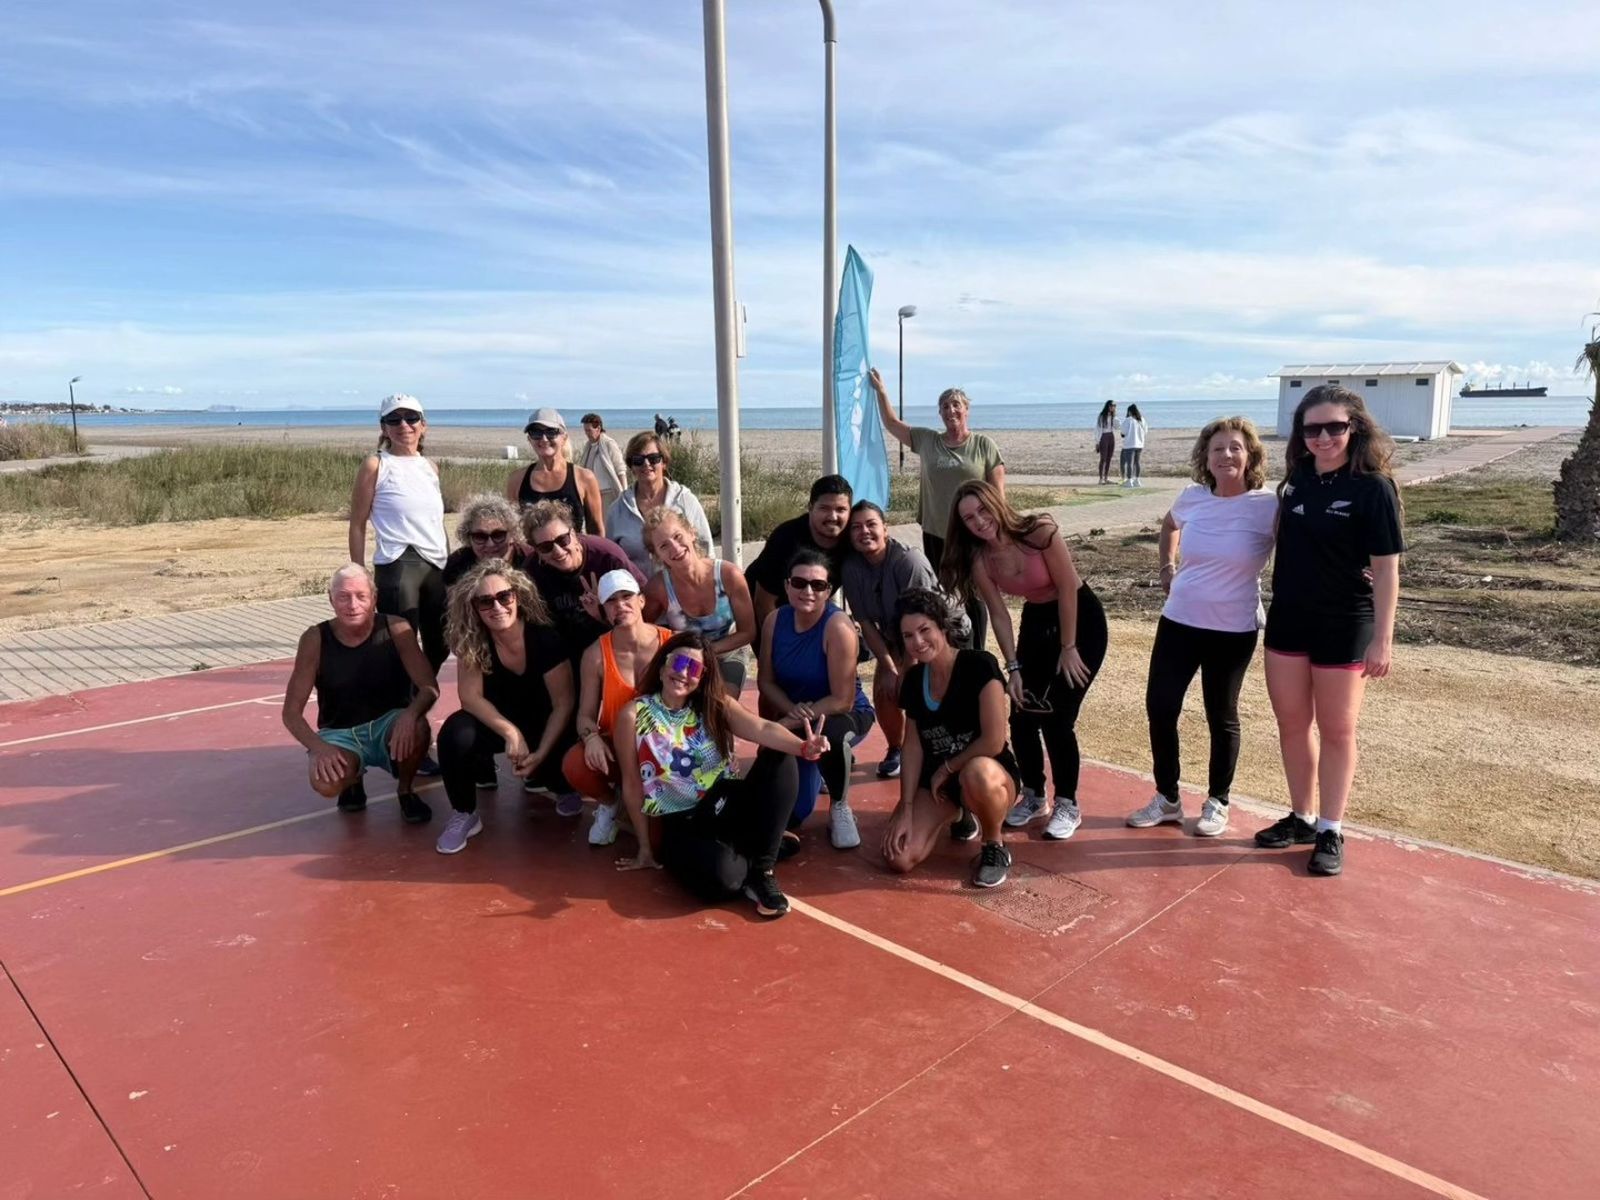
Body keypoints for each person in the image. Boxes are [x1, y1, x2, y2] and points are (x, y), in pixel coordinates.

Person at [1257, 385, 1403, 877]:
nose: (1323, 437)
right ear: (1301, 434)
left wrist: (1383, 639)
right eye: (1312, 428)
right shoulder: (1297, 478)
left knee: (1338, 729)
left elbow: (1386, 571)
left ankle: (1330, 828)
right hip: (1289, 619)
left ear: (1354, 427)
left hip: (1345, 622)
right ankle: (1301, 817)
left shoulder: (1373, 488)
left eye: (1334, 427)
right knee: (1292, 724)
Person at [1125, 418, 1277, 839]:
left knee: (1220, 714)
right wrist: (1166, 566)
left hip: (1233, 629)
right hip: (1179, 621)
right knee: (1160, 706)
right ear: (1205, 458)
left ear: (1250, 456)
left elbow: (1303, 547)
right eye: (1217, 449)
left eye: (1235, 448)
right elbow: (1170, 525)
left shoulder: (1267, 504)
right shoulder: (1193, 496)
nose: (1226, 455)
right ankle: (1168, 798)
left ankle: (1218, 801)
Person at [613, 632, 829, 919]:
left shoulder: (715, 705)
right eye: (679, 664)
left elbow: (762, 729)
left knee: (779, 754)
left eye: (694, 669)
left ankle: (763, 869)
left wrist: (803, 746)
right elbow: (631, 783)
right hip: (684, 821)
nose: (683, 674)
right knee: (724, 882)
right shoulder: (633, 715)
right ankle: (759, 846)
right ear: (663, 666)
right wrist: (644, 848)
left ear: (702, 677)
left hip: (726, 802)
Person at [942, 480, 1108, 842]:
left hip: (1080, 619)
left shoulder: (1039, 531)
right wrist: (1013, 667)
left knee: (1058, 716)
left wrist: (1068, 646)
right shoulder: (980, 559)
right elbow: (999, 615)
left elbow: (1067, 587)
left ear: (996, 504)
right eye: (969, 518)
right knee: (1021, 713)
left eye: (983, 510)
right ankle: (1034, 795)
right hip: (1036, 623)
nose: (979, 521)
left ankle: (1068, 803)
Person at [881, 590, 1022, 888]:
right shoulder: (914, 681)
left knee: (978, 773)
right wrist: (906, 808)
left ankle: (994, 846)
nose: (917, 642)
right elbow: (913, 746)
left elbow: (994, 740)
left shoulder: (979, 665)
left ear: (942, 627)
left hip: (987, 773)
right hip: (940, 785)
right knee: (899, 858)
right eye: (908, 636)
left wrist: (947, 768)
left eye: (924, 630)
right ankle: (959, 815)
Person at [434, 562, 577, 853]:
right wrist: (511, 733)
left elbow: (564, 703)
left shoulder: (544, 637)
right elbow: (470, 697)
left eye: (504, 597)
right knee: (454, 733)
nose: (496, 606)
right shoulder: (473, 640)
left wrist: (541, 754)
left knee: (562, 767)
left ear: (517, 597)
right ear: (473, 607)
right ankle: (464, 813)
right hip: (499, 723)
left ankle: (562, 785)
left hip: (544, 724)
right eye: (485, 601)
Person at [281, 564, 438, 824]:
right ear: (331, 599)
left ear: (374, 598)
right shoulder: (314, 639)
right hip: (340, 733)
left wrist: (411, 715)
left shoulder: (397, 629)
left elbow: (429, 687)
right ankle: (353, 779)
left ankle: (406, 790)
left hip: (389, 723)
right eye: (343, 596)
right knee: (325, 784)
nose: (352, 604)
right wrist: (319, 748)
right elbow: (290, 713)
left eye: (361, 596)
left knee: (418, 728)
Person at [869, 367, 1003, 652]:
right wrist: (882, 393)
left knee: (974, 594)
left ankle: (977, 652)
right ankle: (952, 648)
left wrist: (999, 533)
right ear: (940, 413)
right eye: (945, 406)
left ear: (966, 410)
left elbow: (997, 495)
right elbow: (892, 424)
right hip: (936, 531)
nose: (950, 409)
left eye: (956, 404)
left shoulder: (983, 445)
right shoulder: (929, 441)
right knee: (943, 593)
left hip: (972, 533)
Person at [757, 549, 876, 850]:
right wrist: (788, 714)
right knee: (793, 813)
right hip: (797, 716)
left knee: (833, 738)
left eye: (818, 585)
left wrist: (789, 721)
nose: (807, 591)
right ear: (787, 586)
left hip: (839, 714)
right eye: (799, 583)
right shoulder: (774, 620)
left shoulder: (837, 627)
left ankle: (840, 805)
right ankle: (819, 772)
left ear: (828, 591)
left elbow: (842, 700)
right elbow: (765, 682)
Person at [840, 500, 963, 782]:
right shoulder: (851, 568)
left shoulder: (909, 561)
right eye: (856, 527)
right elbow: (867, 624)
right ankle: (897, 748)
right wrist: (890, 668)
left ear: (886, 528)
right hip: (896, 635)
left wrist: (908, 671)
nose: (864, 532)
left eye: (871, 524)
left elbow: (922, 622)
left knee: (930, 688)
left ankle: (945, 751)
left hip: (939, 631)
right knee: (886, 687)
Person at [564, 569, 670, 846]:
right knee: (575, 764)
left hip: (665, 750)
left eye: (627, 596)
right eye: (611, 601)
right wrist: (591, 737)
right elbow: (585, 715)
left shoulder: (674, 644)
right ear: (603, 610)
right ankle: (611, 805)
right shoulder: (595, 655)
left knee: (661, 843)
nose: (620, 605)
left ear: (642, 601)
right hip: (618, 747)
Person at [349, 393, 449, 670]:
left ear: (423, 425)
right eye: (394, 419)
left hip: (436, 564)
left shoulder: (430, 467)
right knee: (398, 642)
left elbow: (435, 522)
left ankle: (419, 696)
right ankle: (402, 706)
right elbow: (357, 523)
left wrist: (449, 563)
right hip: (398, 563)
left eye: (411, 418)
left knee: (440, 644)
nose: (404, 425)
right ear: (384, 428)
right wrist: (358, 574)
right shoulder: (376, 465)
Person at [640, 508, 755, 692]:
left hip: (727, 653)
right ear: (656, 556)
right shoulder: (658, 588)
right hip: (684, 658)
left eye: (677, 537)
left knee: (720, 707)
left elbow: (748, 632)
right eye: (664, 546)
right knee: (678, 705)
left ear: (691, 533)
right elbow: (641, 630)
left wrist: (706, 652)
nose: (675, 549)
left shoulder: (728, 575)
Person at [521, 500, 646, 665]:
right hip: (562, 655)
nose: (558, 551)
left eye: (562, 540)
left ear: (573, 534)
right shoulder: (531, 572)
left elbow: (641, 604)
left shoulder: (606, 557)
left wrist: (602, 610)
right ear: (536, 550)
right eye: (546, 547)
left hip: (614, 645)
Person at [745, 474, 853, 627]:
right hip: (767, 610)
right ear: (810, 508)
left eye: (841, 509)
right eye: (824, 508)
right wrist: (780, 644)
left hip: (811, 607)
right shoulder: (786, 539)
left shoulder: (853, 538)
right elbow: (763, 603)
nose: (833, 517)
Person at [605, 431, 713, 576]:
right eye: (638, 460)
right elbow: (611, 560)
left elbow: (706, 549)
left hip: (684, 591)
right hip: (638, 595)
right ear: (631, 466)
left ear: (664, 463)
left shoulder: (685, 501)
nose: (646, 464)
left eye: (653, 458)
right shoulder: (617, 510)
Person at [505, 407, 606, 536]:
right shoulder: (517, 480)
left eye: (551, 432)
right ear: (529, 439)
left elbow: (596, 530)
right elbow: (513, 531)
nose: (544, 439)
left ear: (564, 438)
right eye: (535, 432)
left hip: (574, 555)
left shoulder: (584, 478)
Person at [441, 494, 530, 591]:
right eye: (480, 537)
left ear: (513, 535)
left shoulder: (529, 563)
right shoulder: (456, 566)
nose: (490, 544)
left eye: (498, 535)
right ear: (468, 538)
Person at [578, 413, 629, 515]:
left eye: (589, 430)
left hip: (608, 493)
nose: (586, 433)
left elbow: (620, 469)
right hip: (592, 494)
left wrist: (624, 493)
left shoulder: (609, 444)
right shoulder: (588, 446)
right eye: (585, 430)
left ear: (598, 428)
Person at [1120, 403, 1148, 487]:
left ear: (1129, 411)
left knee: (1129, 463)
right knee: (1137, 462)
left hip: (1130, 444)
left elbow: (1123, 432)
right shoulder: (1142, 420)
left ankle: (1129, 480)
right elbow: (1146, 431)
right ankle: (1137, 480)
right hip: (1139, 444)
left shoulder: (1128, 420)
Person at [1094, 400, 1119, 485]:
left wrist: (1115, 417)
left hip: (1111, 436)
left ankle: (1106, 478)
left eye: (1115, 406)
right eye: (1112, 405)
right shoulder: (1101, 416)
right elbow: (1098, 429)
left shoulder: (1113, 416)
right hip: (1103, 436)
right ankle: (1101, 478)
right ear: (1108, 406)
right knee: (1103, 458)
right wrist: (1097, 441)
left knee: (1109, 458)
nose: (1113, 407)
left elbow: (1117, 427)